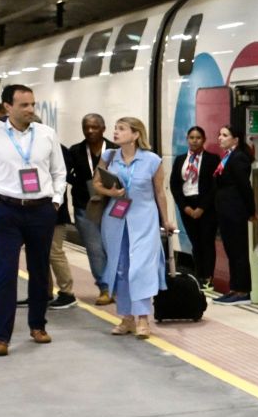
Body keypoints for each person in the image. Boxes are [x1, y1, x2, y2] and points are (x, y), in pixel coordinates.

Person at [0, 83, 66, 357]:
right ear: (7, 108)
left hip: (41, 210)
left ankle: (38, 325)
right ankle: (1, 337)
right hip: (7, 211)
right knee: (5, 273)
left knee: (39, 271)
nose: (30, 110)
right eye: (24, 105)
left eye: (33, 104)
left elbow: (59, 172)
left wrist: (56, 200)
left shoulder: (47, 134)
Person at [96, 116, 174, 339]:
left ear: (136, 134)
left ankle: (142, 319)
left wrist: (165, 219)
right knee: (120, 267)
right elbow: (97, 183)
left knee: (140, 268)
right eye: (116, 128)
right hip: (116, 219)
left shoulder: (152, 160)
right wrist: (112, 193)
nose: (116, 132)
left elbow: (159, 192)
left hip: (144, 219)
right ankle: (126, 318)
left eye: (122, 129)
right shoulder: (109, 156)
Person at [65, 114, 112, 304]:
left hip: (111, 206)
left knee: (114, 248)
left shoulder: (114, 150)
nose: (90, 131)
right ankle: (104, 287)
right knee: (95, 249)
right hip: (85, 206)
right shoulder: (75, 151)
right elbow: (65, 174)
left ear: (103, 128)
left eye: (94, 127)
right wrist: (82, 183)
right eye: (86, 127)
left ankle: (118, 286)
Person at [36, 113, 77, 310]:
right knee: (37, 253)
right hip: (33, 211)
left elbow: (60, 179)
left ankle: (67, 292)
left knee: (54, 252)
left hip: (53, 211)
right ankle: (43, 291)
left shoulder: (58, 150)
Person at [210, 124, 254, 304]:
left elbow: (245, 187)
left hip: (235, 211)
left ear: (235, 139)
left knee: (238, 251)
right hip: (226, 211)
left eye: (225, 135)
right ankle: (234, 287)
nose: (220, 138)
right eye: (219, 134)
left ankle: (243, 290)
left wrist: (251, 211)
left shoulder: (239, 158)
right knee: (231, 250)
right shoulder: (228, 157)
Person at [171, 125, 218, 287]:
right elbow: (174, 185)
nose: (194, 141)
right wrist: (185, 207)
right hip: (187, 206)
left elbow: (214, 186)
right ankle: (198, 276)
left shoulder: (213, 159)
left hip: (206, 207)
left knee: (207, 241)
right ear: (187, 140)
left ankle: (208, 277)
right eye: (191, 138)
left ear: (204, 140)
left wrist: (202, 208)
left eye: (198, 138)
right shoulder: (180, 160)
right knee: (195, 242)